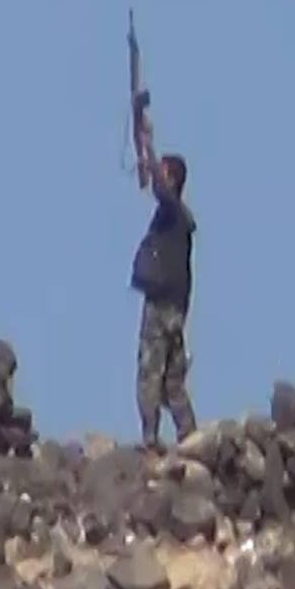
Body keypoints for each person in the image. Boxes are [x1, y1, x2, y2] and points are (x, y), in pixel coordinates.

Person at [130, 110, 197, 454]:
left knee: (151, 373)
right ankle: (190, 435)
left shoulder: (174, 213)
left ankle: (151, 438)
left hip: (161, 309)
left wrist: (148, 143)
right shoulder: (179, 219)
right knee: (173, 379)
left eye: (164, 173)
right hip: (176, 311)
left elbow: (158, 186)